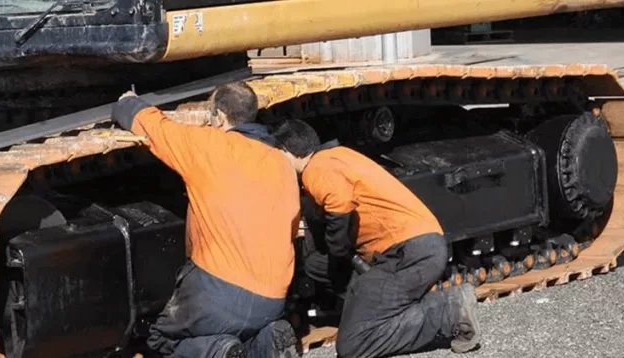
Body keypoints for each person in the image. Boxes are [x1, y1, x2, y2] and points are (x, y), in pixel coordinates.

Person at [111, 82, 301, 358]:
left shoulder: (208, 144)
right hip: (273, 298)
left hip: (217, 292)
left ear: (220, 117)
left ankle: (217, 352)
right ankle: (265, 341)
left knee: (161, 339)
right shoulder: (281, 163)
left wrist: (127, 102)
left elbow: (155, 128)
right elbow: (291, 228)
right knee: (239, 332)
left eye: (209, 116)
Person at [271, 119, 482, 358]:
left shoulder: (317, 168)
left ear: (287, 152)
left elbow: (339, 206)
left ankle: (448, 312)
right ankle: (364, 311)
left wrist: (336, 249)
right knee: (317, 265)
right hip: (416, 247)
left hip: (407, 253)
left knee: (354, 345)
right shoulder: (338, 155)